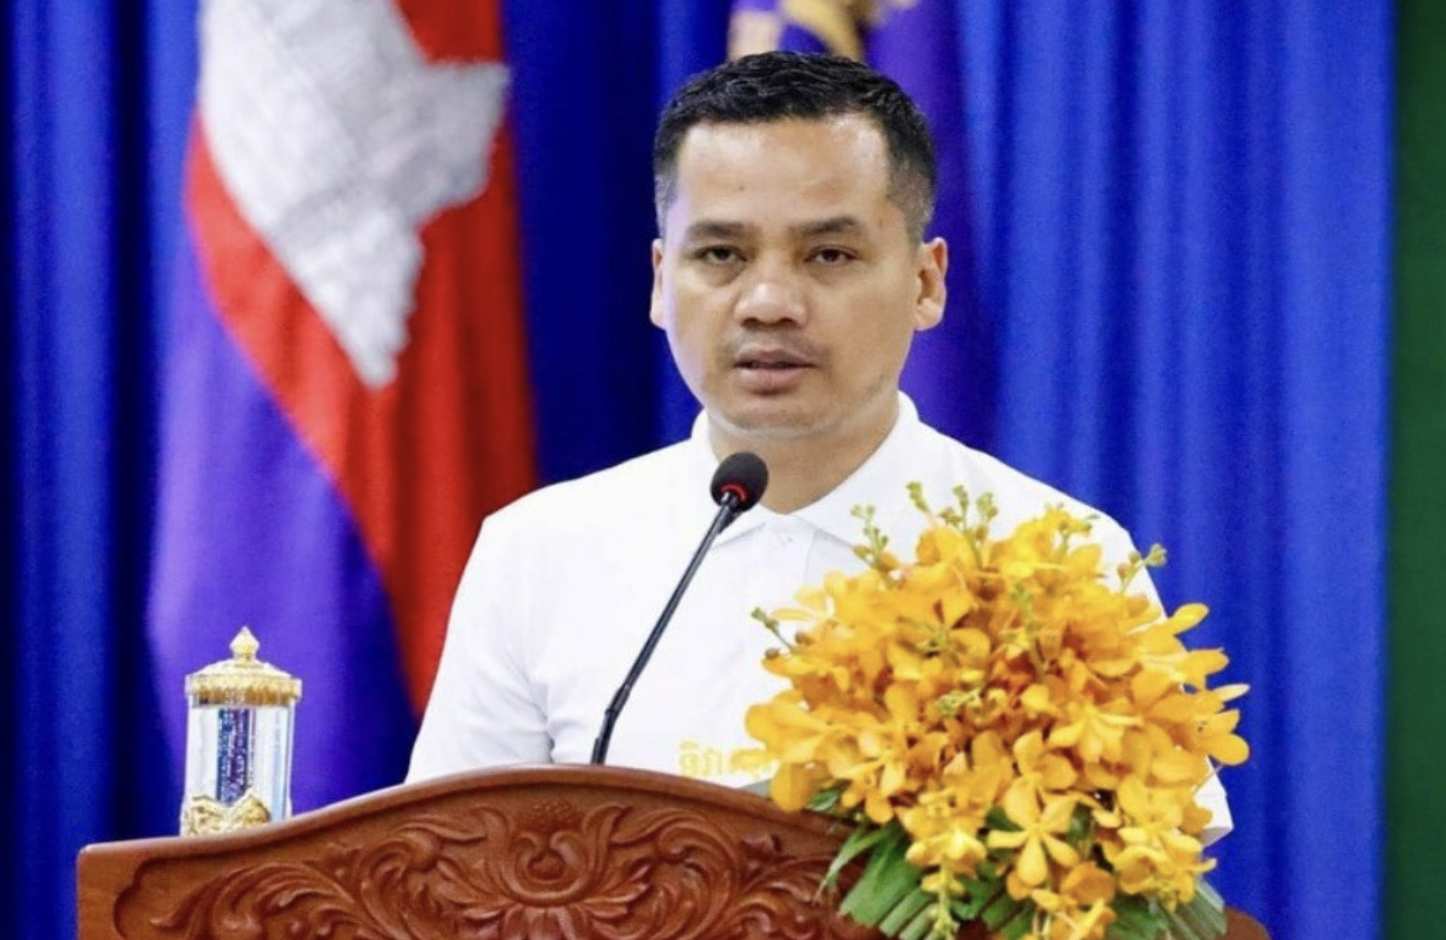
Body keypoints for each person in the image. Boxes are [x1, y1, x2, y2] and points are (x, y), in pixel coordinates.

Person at [407, 50, 1230, 838]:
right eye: (721, 254)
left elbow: (1151, 884)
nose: (768, 302)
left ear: (925, 283)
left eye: (829, 254)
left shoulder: (1058, 558)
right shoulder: (538, 552)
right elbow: (441, 875)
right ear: (660, 281)